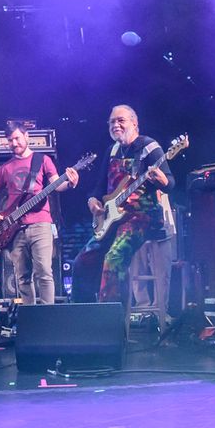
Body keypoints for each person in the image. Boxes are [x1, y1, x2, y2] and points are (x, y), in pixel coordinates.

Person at [73, 105, 172, 307]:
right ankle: (83, 312)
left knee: (114, 258)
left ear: (135, 123)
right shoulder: (111, 151)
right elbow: (99, 188)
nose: (115, 125)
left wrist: (163, 180)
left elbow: (170, 183)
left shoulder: (149, 147)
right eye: (112, 121)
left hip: (142, 217)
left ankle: (111, 315)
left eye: (121, 120)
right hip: (113, 220)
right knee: (82, 261)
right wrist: (92, 201)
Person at [0, 122, 78, 305]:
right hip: (14, 229)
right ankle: (30, 314)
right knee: (22, 277)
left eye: (17, 138)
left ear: (26, 136)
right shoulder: (5, 168)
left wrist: (70, 183)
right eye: (10, 140)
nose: (14, 143)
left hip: (40, 224)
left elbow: (57, 184)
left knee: (44, 272)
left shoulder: (42, 160)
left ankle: (47, 315)